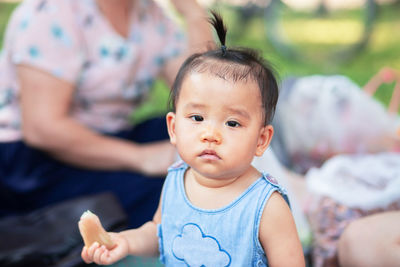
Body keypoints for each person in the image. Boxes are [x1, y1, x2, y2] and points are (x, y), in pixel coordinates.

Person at [80, 12, 305, 266]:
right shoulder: (176, 181)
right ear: (174, 128)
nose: (210, 135)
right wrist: (127, 241)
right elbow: (159, 232)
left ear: (261, 140)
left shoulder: (265, 205)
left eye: (232, 123)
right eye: (197, 118)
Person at [0, 0, 213, 228]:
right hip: (33, 161)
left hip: (111, 137)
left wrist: (193, 13)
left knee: (210, 134)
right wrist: (142, 158)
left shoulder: (152, 16)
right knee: (173, 194)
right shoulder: (51, 12)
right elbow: (42, 129)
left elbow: (205, 103)